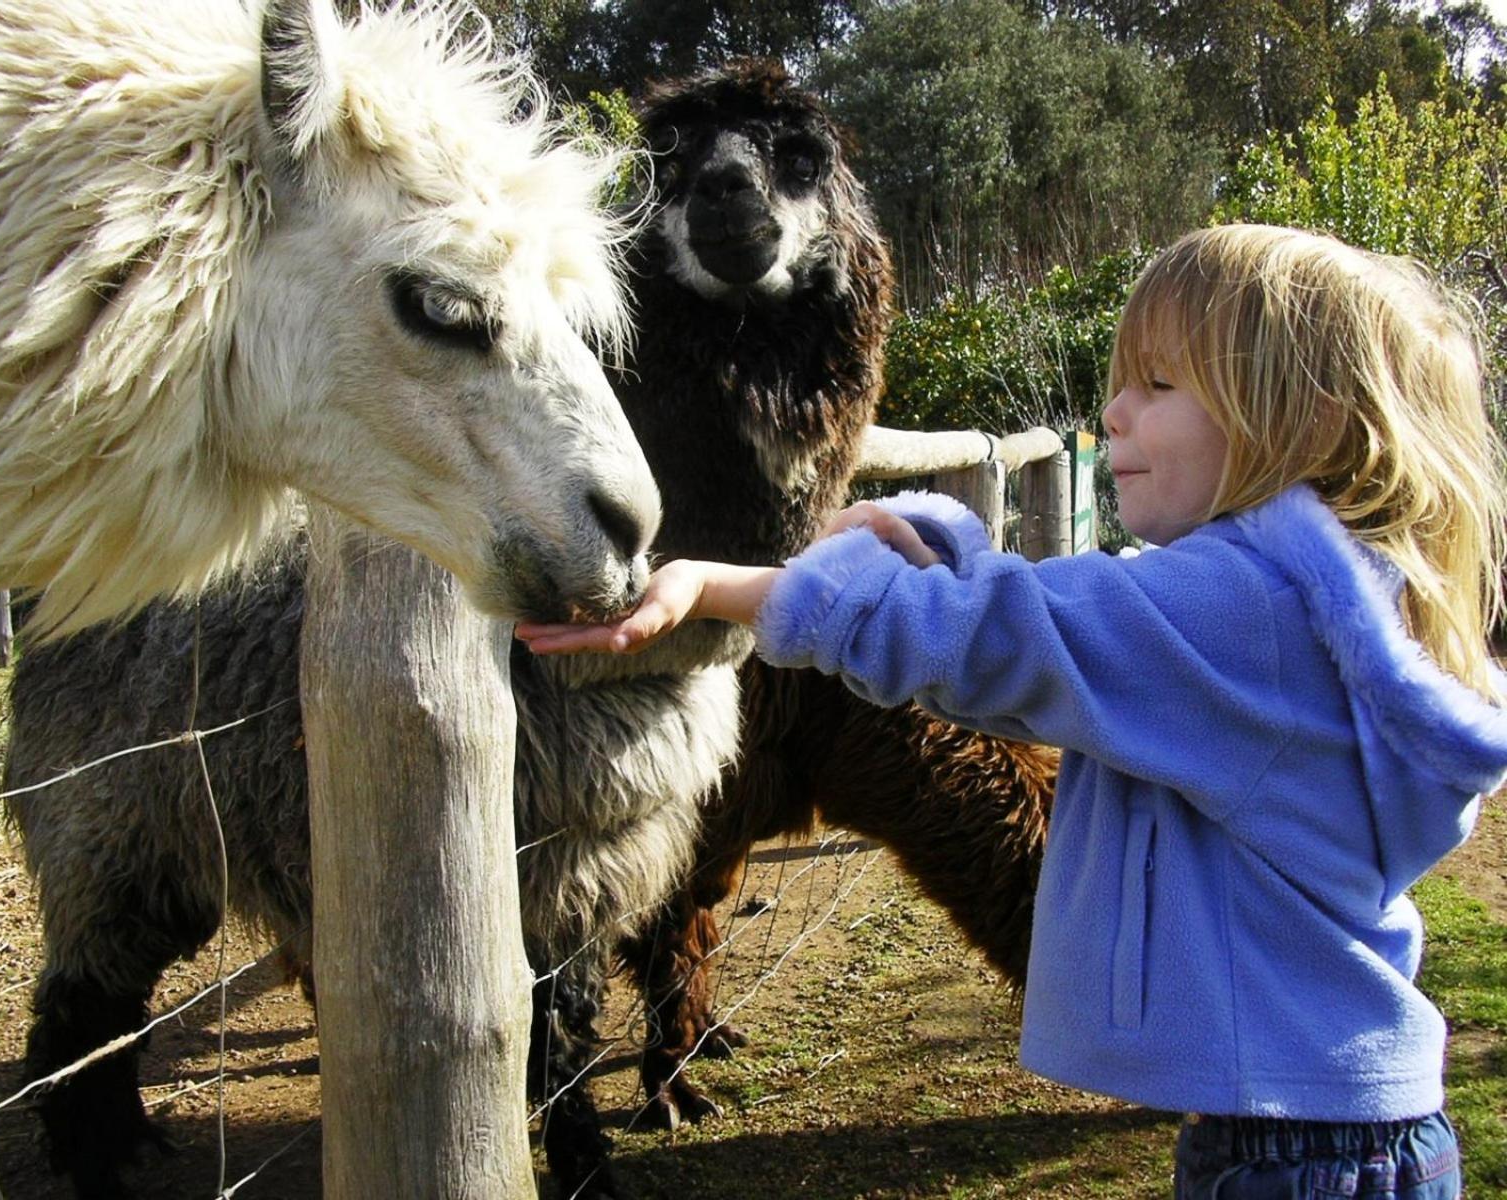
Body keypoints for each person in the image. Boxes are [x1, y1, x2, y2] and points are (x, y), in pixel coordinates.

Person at [516, 223, 1507, 1198]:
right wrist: (931, 537)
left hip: (1293, 1160)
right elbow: (1080, 620)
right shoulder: (1327, 618)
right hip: (1344, 1124)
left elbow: (1001, 638)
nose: (1113, 413)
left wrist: (717, 585)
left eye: (1158, 387)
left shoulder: (1245, 613)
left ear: (1300, 424)